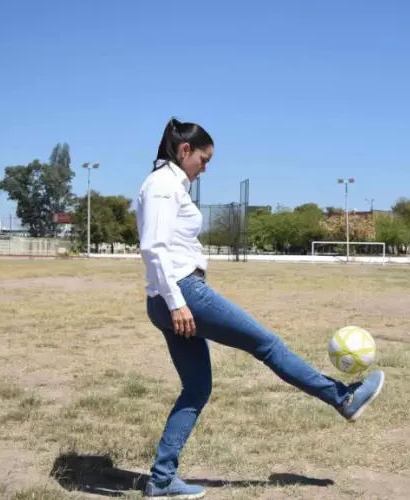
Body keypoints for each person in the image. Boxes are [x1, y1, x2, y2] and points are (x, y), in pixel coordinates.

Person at [136, 118, 386, 499]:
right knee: (267, 344)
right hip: (182, 292)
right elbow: (153, 248)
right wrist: (178, 303)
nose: (206, 168)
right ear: (185, 150)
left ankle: (162, 478)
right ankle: (343, 397)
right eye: (204, 159)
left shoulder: (170, 184)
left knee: (197, 387)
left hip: (174, 295)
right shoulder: (162, 185)